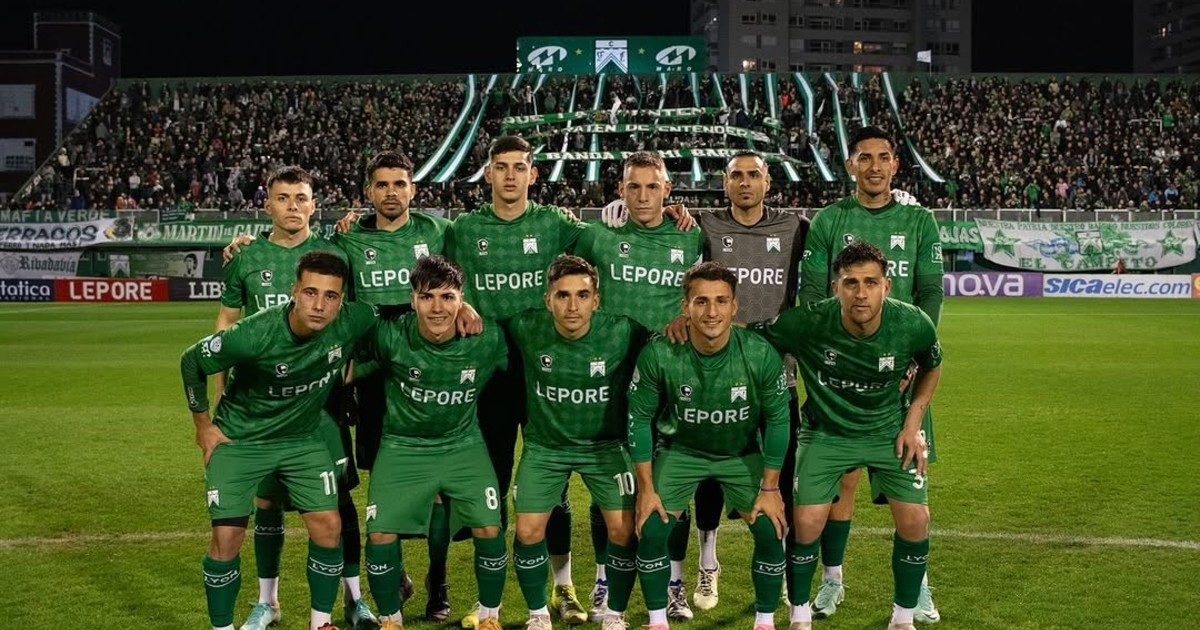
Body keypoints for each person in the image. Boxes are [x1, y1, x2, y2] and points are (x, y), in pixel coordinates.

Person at [602, 150, 809, 617]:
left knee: (779, 487)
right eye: (736, 175)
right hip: (703, 370)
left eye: (754, 175)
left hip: (773, 371)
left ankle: (782, 581)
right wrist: (621, 209)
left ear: (768, 181)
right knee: (704, 484)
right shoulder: (704, 227)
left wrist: (902, 198)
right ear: (724, 182)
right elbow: (682, 261)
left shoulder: (797, 227)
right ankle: (705, 565)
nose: (745, 182)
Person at [213, 166, 381, 630]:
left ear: (313, 205)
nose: (292, 206)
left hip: (321, 401)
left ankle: (354, 599)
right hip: (261, 405)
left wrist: (347, 376)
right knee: (267, 502)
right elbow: (225, 325)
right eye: (283, 198)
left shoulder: (335, 252)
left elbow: (356, 317)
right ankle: (268, 602)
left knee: (338, 500)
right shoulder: (245, 256)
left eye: (301, 198)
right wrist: (221, 393)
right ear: (267, 204)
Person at [180, 251, 378, 630]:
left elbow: (397, 318)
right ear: (293, 292)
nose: (319, 305)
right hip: (241, 440)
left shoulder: (354, 319)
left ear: (342, 300)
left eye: (330, 296)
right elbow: (192, 362)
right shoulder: (253, 334)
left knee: (328, 525)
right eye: (310, 293)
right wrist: (203, 426)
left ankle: (321, 623)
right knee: (226, 538)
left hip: (301, 439)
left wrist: (462, 309)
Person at [749, 242, 942, 630]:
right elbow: (751, 337)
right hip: (826, 432)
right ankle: (799, 616)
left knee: (916, 519)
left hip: (887, 431)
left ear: (886, 286)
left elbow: (932, 365)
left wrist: (912, 423)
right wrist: (701, 325)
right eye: (851, 283)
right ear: (836, 287)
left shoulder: (913, 322)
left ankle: (903, 618)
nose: (861, 292)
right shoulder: (807, 322)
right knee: (806, 523)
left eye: (870, 282)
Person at [796, 126, 944, 623]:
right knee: (842, 481)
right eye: (865, 158)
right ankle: (832, 580)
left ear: (896, 165)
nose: (875, 166)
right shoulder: (829, 220)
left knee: (911, 481)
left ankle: (918, 589)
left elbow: (930, 293)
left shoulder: (919, 220)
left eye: (884, 158)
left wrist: (913, 356)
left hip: (900, 372)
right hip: (840, 374)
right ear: (850, 165)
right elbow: (812, 295)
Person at [571, 150, 703, 621]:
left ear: (668, 190)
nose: (643, 196)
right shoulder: (598, 235)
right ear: (620, 191)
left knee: (674, 484)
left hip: (670, 378)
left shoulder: (691, 236)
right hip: (609, 379)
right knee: (608, 482)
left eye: (652, 187)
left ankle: (674, 583)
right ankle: (603, 581)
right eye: (633, 187)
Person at [628, 262, 791, 630]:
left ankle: (765, 621)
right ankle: (657, 621)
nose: (712, 311)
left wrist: (770, 488)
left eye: (721, 301)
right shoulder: (660, 353)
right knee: (651, 528)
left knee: (771, 528)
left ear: (735, 306)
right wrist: (647, 489)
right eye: (701, 301)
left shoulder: (760, 353)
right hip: (681, 451)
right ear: (685, 306)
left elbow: (779, 420)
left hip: (740, 453)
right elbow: (638, 418)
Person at [351, 255, 510, 630]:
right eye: (427, 297)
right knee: (380, 532)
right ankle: (391, 619)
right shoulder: (390, 335)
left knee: (490, 527)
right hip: (403, 447)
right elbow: (345, 364)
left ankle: (490, 617)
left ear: (462, 299)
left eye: (447, 297)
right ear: (412, 300)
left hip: (463, 445)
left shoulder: (488, 338)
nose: (438, 308)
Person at [331, 150, 454, 622]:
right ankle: (397, 572)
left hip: (431, 374)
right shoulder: (348, 240)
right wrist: (244, 243)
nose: (391, 192)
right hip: (375, 379)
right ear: (368, 191)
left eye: (399, 184)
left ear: (413, 189)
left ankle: (438, 581)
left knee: (439, 487)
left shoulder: (438, 231)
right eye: (381, 184)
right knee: (386, 484)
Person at [506, 255, 647, 630]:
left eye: (582, 295)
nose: (573, 306)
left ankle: (614, 614)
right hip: (545, 448)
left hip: (605, 447)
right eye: (563, 295)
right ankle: (538, 615)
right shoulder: (525, 327)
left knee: (623, 530)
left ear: (596, 300)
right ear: (547, 300)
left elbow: (663, 345)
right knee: (527, 530)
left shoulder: (623, 332)